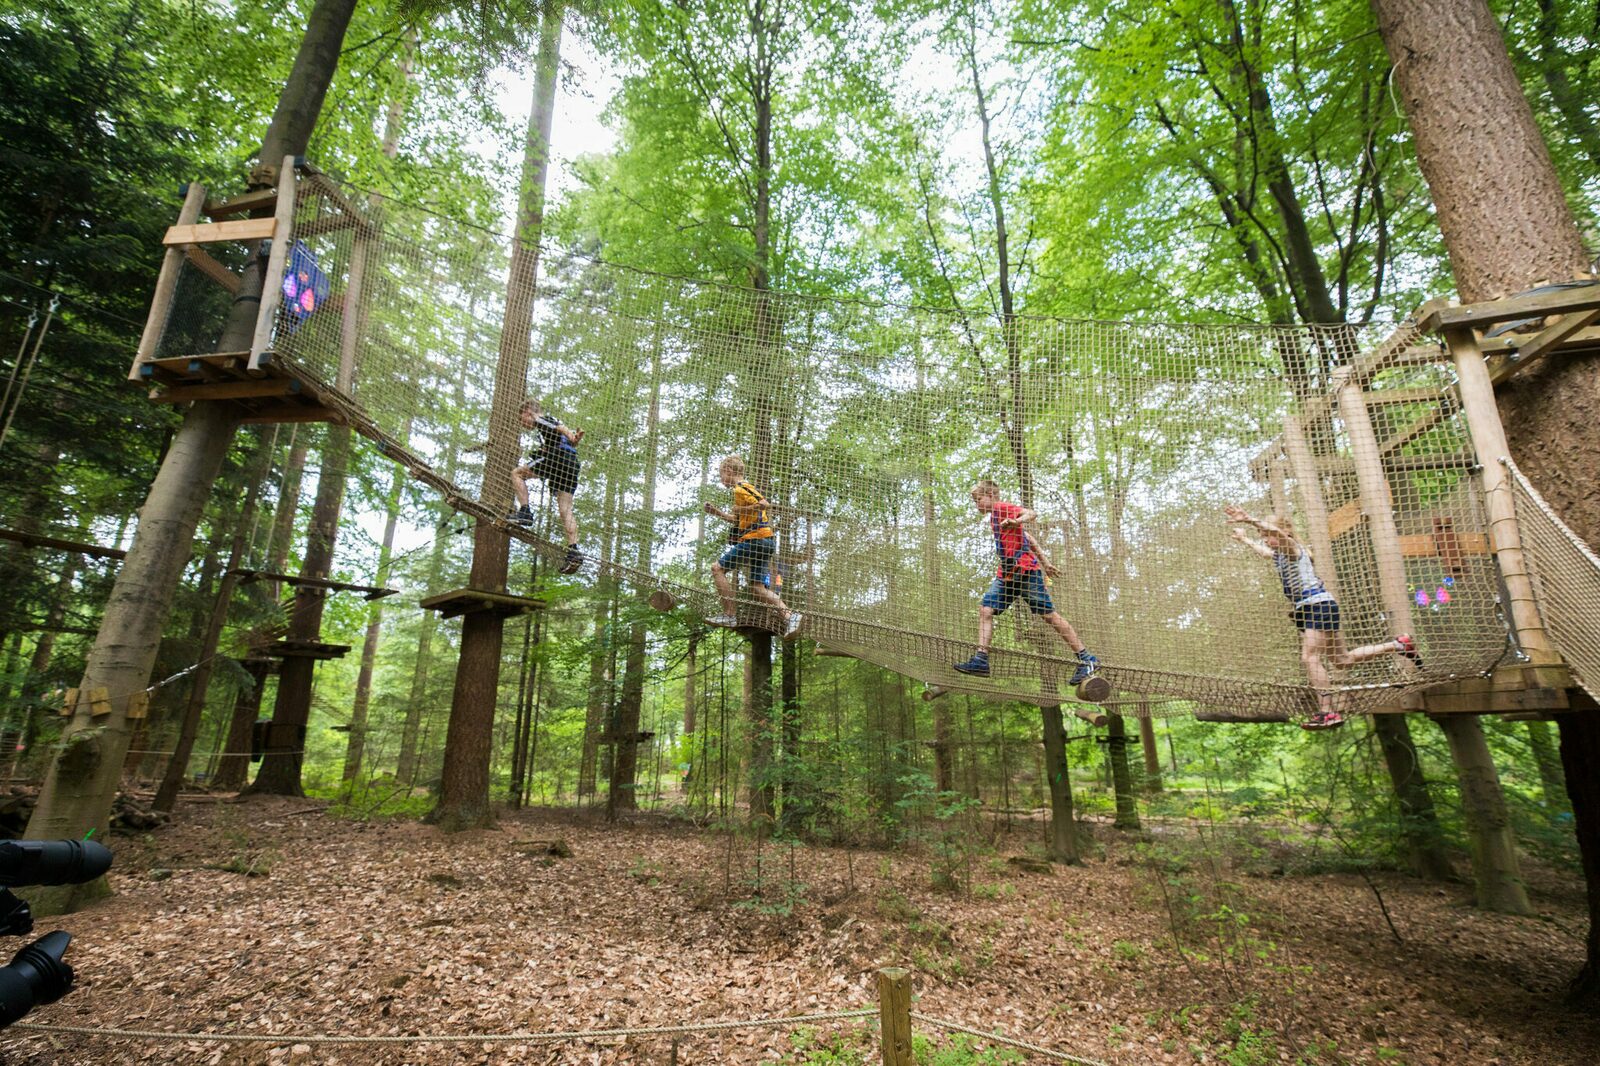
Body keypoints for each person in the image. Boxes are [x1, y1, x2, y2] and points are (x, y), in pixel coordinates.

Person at [1225, 504, 1421, 730]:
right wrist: (1244, 539)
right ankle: (1398, 645)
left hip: (1317, 605)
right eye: (1264, 537)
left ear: (1284, 533)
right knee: (1341, 660)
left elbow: (1278, 536)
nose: (1267, 540)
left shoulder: (1291, 547)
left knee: (1309, 658)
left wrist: (1250, 519)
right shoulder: (1278, 554)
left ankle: (1328, 712)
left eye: (1268, 535)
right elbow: (1264, 552)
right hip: (1317, 606)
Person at [953, 479, 1098, 685]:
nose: (977, 505)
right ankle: (981, 659)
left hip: (1026, 571)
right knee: (986, 610)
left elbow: (1031, 513)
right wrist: (1046, 562)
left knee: (1049, 616)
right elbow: (1028, 538)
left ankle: (1087, 659)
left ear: (991, 496)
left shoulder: (1002, 508)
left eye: (979, 499)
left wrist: (1017, 521)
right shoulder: (994, 518)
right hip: (1008, 574)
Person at [703, 455, 802, 639]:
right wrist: (716, 512)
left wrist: (742, 510)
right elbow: (738, 520)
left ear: (729, 471)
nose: (721, 479)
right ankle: (791, 617)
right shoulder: (740, 492)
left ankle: (729, 615)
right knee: (757, 587)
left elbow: (764, 504)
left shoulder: (742, 488)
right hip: (766, 541)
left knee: (717, 568)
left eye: (721, 475)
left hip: (756, 539)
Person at [510, 398, 583, 575]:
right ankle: (574, 551)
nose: (523, 424)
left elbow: (559, 427)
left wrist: (572, 436)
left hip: (558, 460)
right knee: (565, 509)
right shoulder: (546, 426)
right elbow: (565, 438)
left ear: (528, 412)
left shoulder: (541, 418)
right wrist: (573, 440)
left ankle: (525, 512)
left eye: (522, 419)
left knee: (517, 473)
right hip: (572, 463)